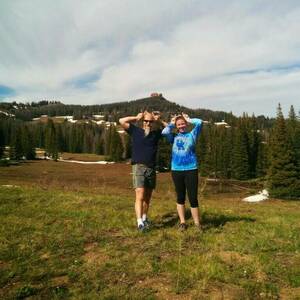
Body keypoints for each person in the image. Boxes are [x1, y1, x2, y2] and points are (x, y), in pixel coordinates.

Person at [119, 111, 166, 232]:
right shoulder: (135, 131)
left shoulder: (156, 134)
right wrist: (136, 117)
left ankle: (145, 219)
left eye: (150, 121)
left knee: (148, 197)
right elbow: (121, 121)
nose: (148, 123)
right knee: (140, 195)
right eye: (146, 121)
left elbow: (170, 129)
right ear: (142, 121)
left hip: (151, 168)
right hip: (138, 166)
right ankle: (139, 223)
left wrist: (159, 121)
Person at [162, 113, 203, 231]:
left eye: (183, 123)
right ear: (176, 126)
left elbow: (199, 122)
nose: (181, 126)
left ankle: (197, 224)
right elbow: (164, 132)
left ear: (186, 124)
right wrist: (172, 122)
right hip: (176, 170)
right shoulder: (173, 137)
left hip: (191, 169)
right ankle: (183, 222)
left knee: (193, 197)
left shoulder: (192, 135)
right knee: (180, 197)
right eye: (179, 124)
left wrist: (189, 119)